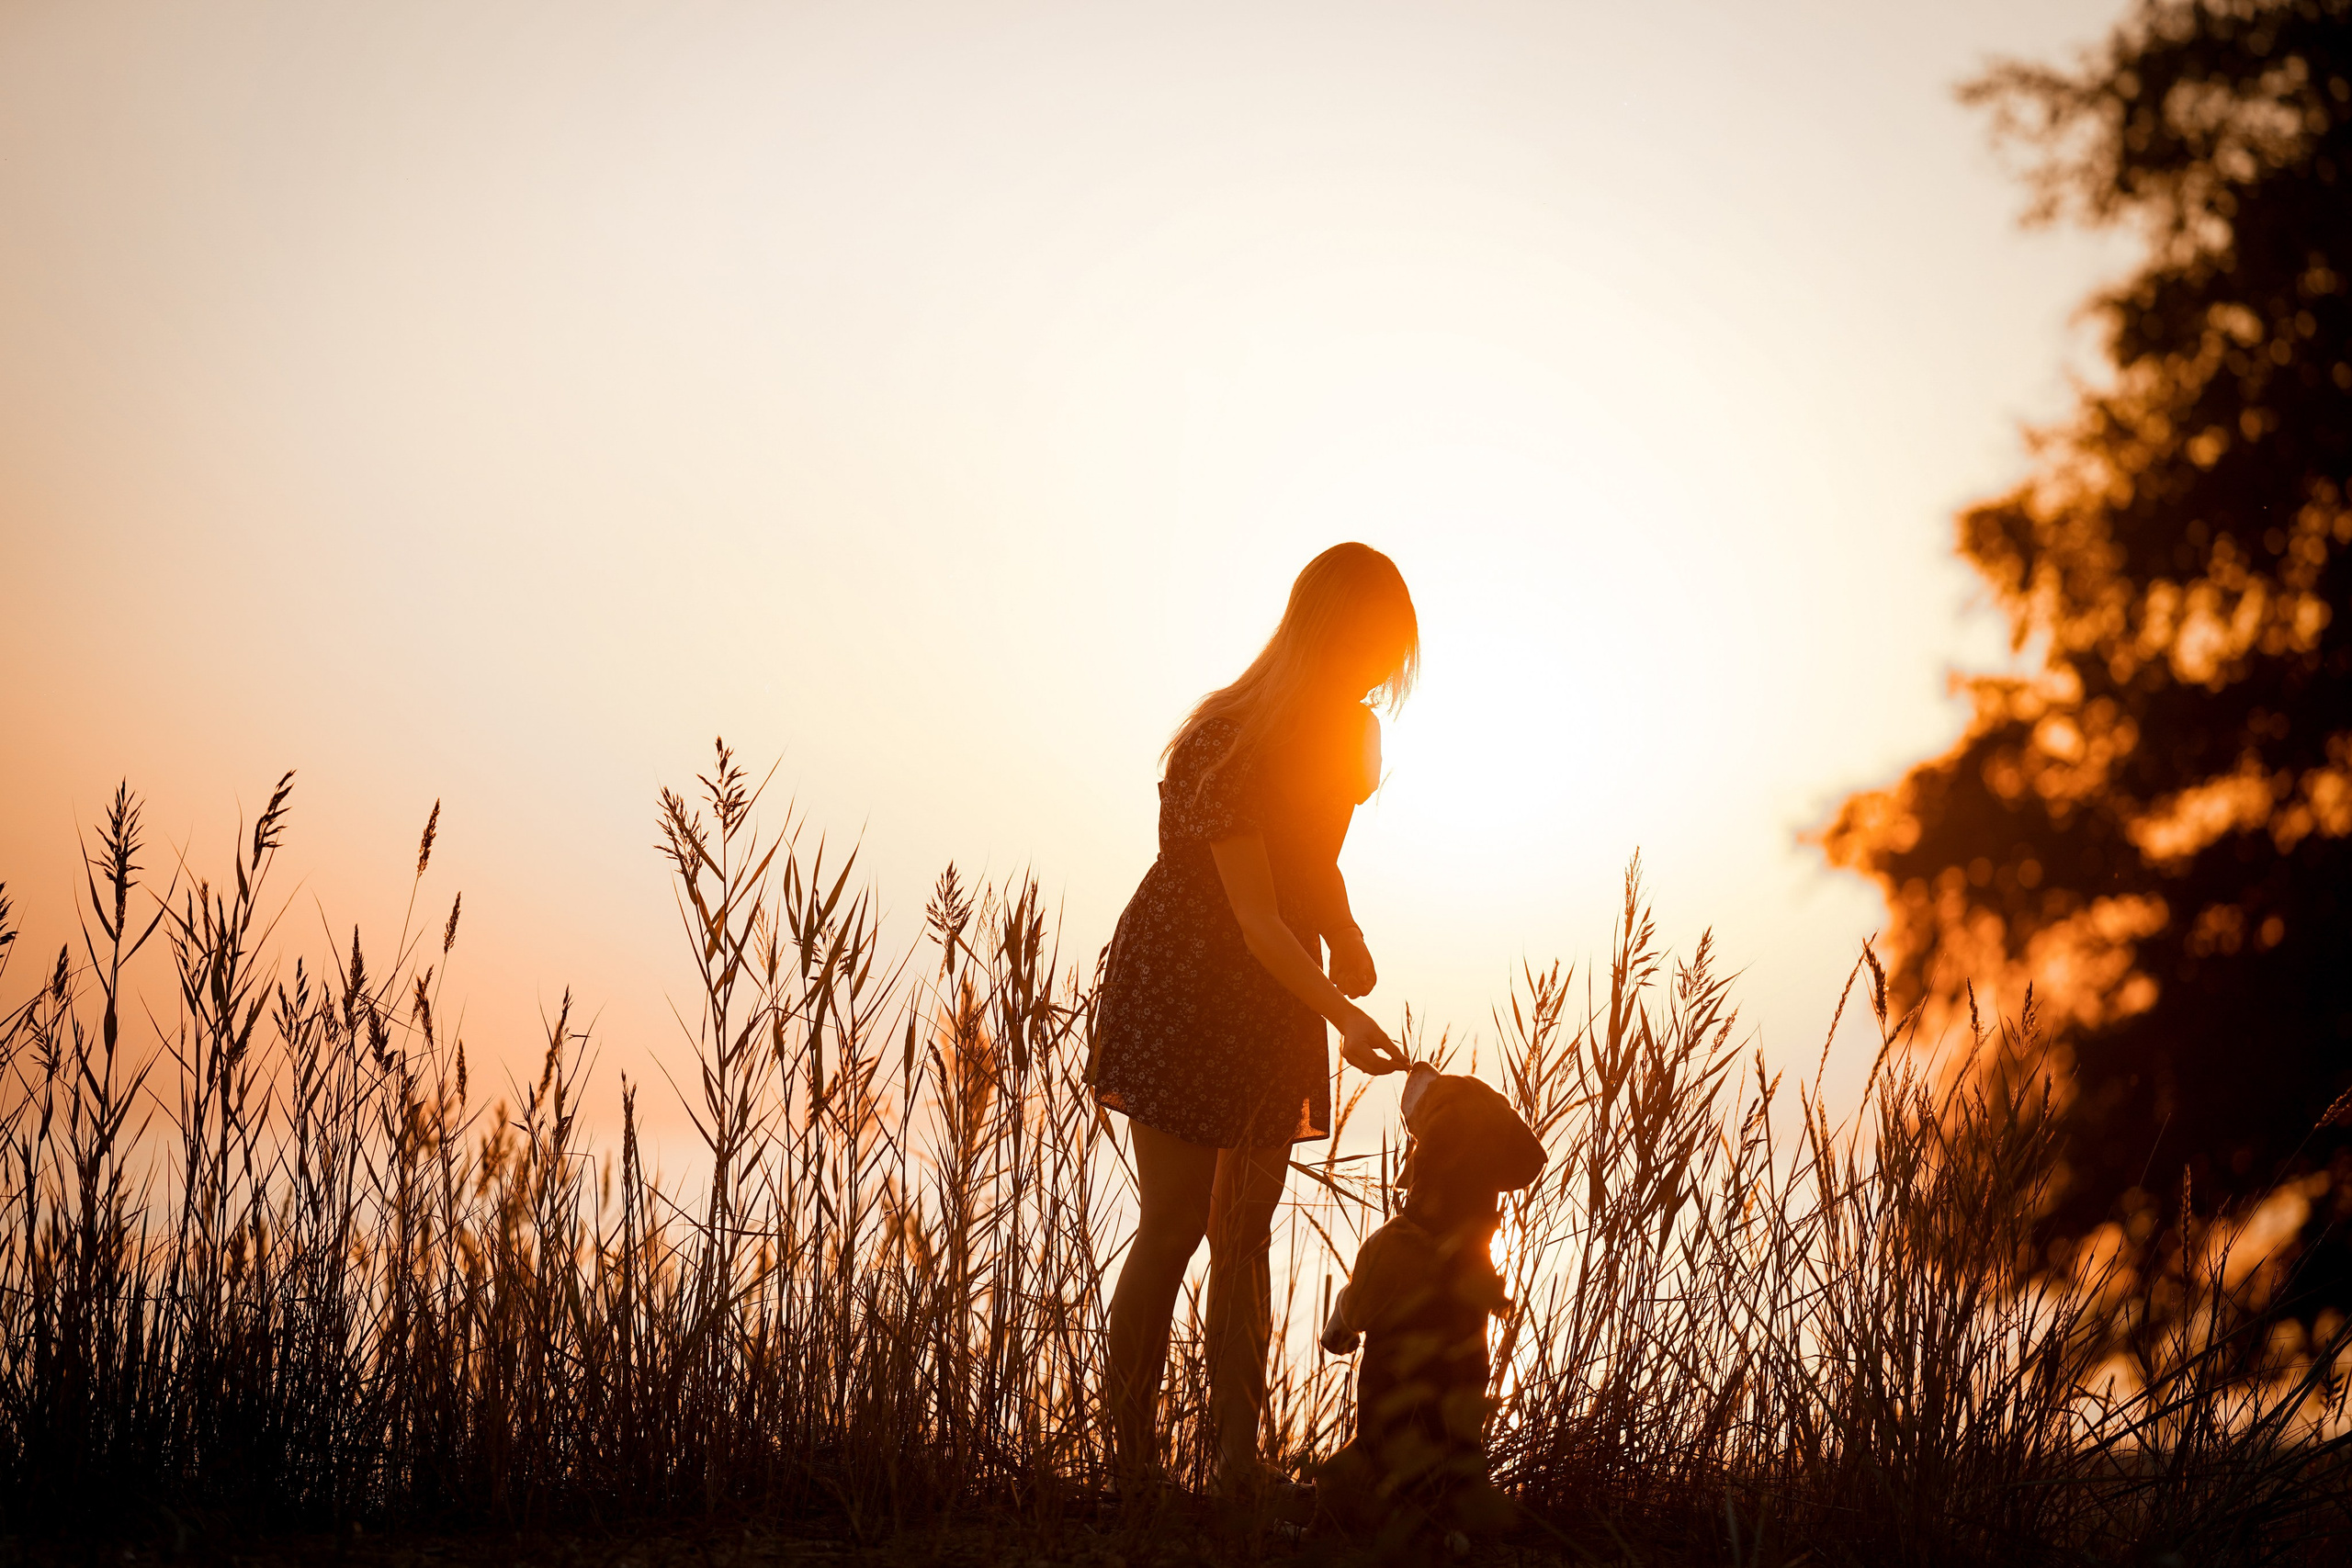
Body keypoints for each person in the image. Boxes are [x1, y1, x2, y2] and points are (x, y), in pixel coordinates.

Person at [1089, 541, 1419, 1500]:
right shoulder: (1223, 740)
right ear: (1323, 632)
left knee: (1246, 1233)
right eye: (1367, 648)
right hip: (1187, 983)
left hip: (1273, 992)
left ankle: (1238, 1466)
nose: (1378, 675)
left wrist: (1344, 927)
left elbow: (1308, 860)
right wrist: (1344, 1015)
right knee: (1176, 1223)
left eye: (1389, 657)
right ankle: (1134, 1466)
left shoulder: (1349, 737)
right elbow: (1253, 915)